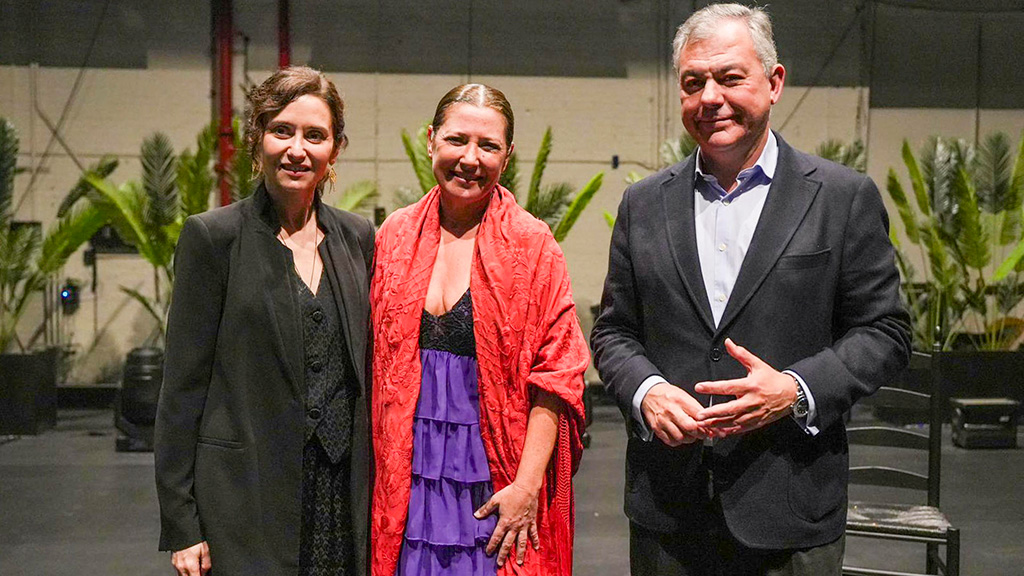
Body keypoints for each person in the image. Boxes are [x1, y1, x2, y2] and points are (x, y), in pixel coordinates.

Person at [591, 4, 912, 576]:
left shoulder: (841, 198)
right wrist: (647, 391)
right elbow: (614, 331)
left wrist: (795, 389)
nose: (709, 97)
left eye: (730, 78)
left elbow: (885, 332)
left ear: (774, 82)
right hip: (669, 511)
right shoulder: (644, 203)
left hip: (790, 508)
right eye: (693, 82)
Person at [154, 66, 375, 576]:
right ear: (258, 138)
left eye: (315, 135)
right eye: (283, 131)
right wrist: (182, 523)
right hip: (245, 496)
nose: (298, 149)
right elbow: (182, 388)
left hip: (339, 497)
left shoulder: (357, 238)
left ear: (335, 149)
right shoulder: (214, 238)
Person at [369, 84, 589, 576]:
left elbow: (557, 375)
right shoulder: (394, 236)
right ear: (431, 140)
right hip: (408, 477)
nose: (470, 159)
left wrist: (527, 486)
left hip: (496, 479)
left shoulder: (533, 246)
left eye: (487, 146)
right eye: (457, 140)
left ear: (506, 156)